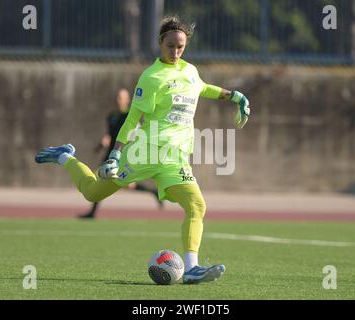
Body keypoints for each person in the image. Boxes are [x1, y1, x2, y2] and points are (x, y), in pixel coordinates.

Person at [35, 16, 250, 284]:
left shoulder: (190, 71)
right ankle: (64, 156)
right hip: (143, 154)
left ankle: (192, 268)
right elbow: (132, 118)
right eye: (170, 46)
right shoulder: (151, 77)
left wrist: (234, 96)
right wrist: (116, 153)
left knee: (197, 206)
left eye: (180, 47)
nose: (175, 52)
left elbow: (202, 88)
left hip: (174, 161)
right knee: (92, 193)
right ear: (160, 42)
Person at [78, 88, 163, 219]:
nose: (119, 100)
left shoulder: (131, 116)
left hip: (124, 154)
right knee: (101, 179)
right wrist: (101, 144)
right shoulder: (111, 116)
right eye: (118, 97)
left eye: (122, 97)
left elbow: (137, 134)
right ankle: (92, 212)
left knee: (128, 185)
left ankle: (153, 192)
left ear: (128, 100)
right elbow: (109, 135)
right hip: (111, 154)